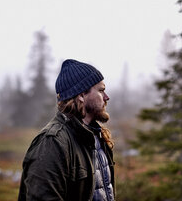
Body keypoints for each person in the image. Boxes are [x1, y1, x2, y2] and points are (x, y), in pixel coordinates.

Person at [18, 59, 115, 201]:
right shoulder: (52, 142)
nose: (107, 97)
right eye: (101, 90)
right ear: (81, 95)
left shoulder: (97, 136)